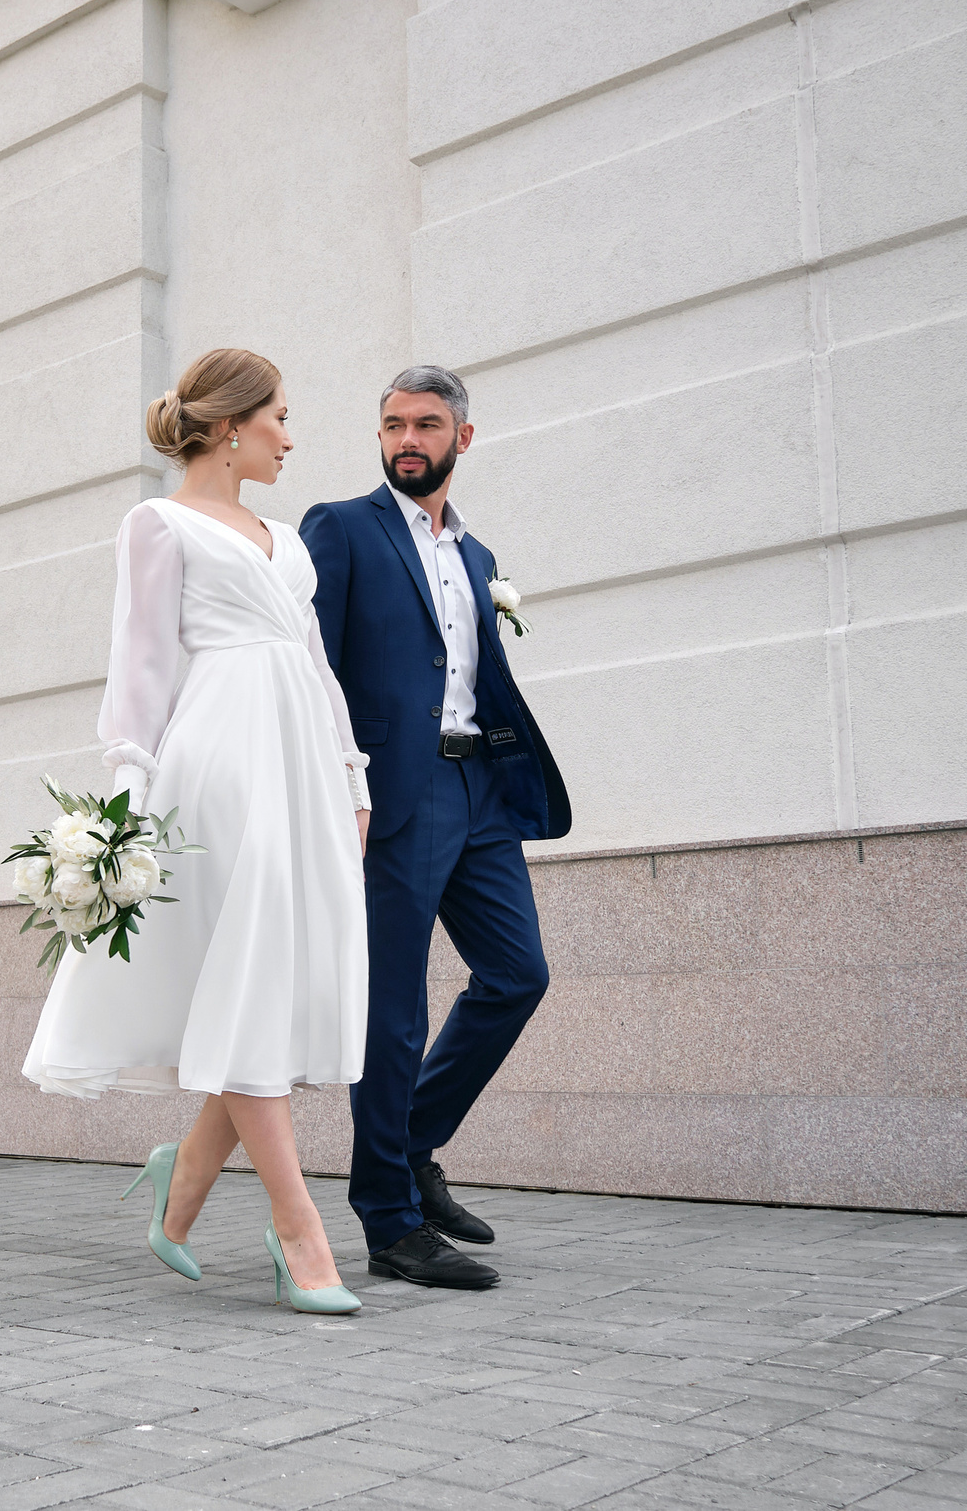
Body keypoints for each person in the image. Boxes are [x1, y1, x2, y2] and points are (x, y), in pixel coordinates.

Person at [22, 348, 373, 1315]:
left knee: (270, 989)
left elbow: (317, 665)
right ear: (228, 427)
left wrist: (352, 776)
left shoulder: (287, 540)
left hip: (302, 766)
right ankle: (299, 1229)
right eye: (278, 418)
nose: (290, 438)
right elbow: (139, 664)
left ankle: (180, 1181)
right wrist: (124, 801)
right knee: (253, 980)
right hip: (220, 765)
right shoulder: (158, 523)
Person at [298, 365, 572, 1291]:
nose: (406, 439)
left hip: (478, 788)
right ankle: (389, 1220)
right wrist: (338, 786)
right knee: (394, 1008)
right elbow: (310, 667)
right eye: (392, 425)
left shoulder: (478, 554)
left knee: (518, 974)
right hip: (392, 795)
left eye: (424, 424)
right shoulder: (343, 528)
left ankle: (410, 1147)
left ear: (463, 435)